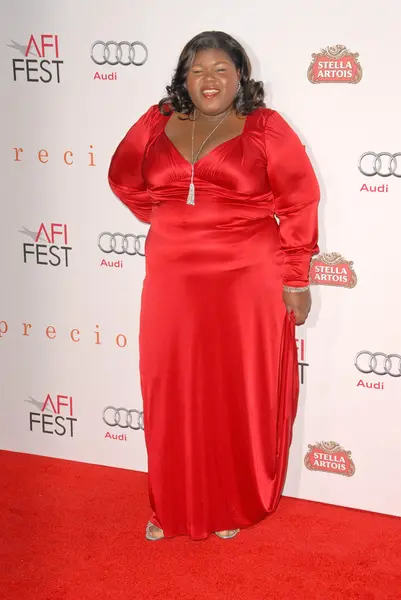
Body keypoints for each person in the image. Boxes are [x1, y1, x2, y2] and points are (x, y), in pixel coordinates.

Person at [108, 30, 319, 541]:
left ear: (241, 74)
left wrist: (296, 277)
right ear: (183, 75)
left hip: (248, 275)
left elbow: (298, 200)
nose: (210, 79)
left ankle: (233, 503)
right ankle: (172, 503)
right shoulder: (158, 121)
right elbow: (122, 177)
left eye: (222, 69)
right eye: (198, 69)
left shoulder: (265, 126)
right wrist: (167, 218)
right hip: (172, 276)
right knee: (170, 384)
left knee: (236, 389)